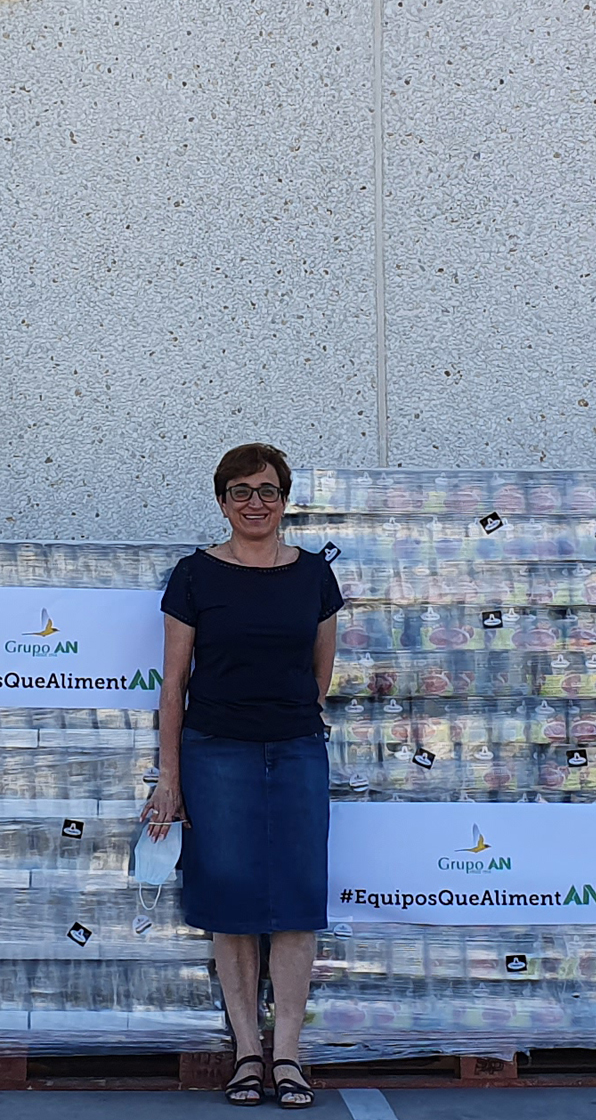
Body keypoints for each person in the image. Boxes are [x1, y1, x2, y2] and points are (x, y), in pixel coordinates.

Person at [144, 442, 342, 1109]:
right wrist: (168, 778)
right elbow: (173, 687)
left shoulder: (314, 576)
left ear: (285, 498)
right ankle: (246, 1052)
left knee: (295, 896)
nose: (255, 501)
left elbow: (321, 672)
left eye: (267, 488)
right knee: (230, 900)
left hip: (295, 749)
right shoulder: (195, 576)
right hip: (215, 750)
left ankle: (287, 1052)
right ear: (222, 500)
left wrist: (291, 720)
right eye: (240, 490)